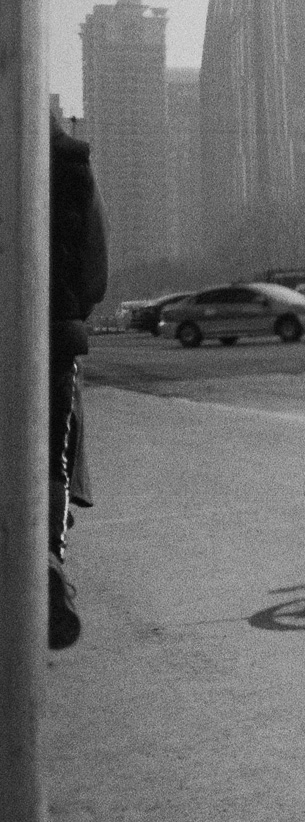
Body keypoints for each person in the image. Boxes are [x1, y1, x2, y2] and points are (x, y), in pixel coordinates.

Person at [47, 116, 108, 650]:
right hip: (50, 336)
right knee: (53, 456)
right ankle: (50, 561)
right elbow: (93, 273)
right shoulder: (71, 163)